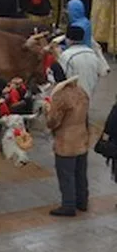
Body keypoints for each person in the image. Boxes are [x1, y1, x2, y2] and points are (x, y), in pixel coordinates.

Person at [45, 50, 90, 217]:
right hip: (82, 138)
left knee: (66, 174)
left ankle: (68, 205)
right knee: (80, 173)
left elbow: (53, 121)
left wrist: (47, 111)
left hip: (66, 142)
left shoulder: (60, 96)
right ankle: (82, 201)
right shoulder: (80, 91)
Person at [54, 22, 107, 98]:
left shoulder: (66, 55)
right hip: (89, 93)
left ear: (68, 39)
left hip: (72, 96)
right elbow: (100, 72)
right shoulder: (92, 53)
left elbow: (61, 77)